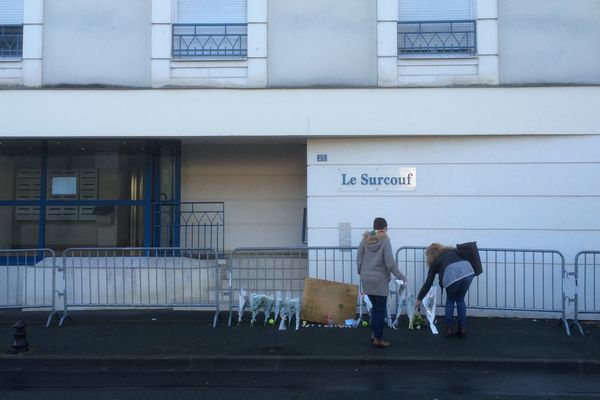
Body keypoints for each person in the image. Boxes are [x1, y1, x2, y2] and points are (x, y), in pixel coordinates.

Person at [357, 217, 406, 348]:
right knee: (379, 310)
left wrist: (361, 272)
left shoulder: (365, 239)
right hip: (379, 280)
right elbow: (390, 263)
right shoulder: (385, 240)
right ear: (384, 228)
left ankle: (374, 334)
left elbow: (359, 258)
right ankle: (378, 339)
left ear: (374, 228)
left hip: (366, 278)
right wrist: (401, 276)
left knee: (375, 308)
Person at [416, 243, 475, 338]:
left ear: (430, 255)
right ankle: (462, 328)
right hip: (468, 271)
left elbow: (428, 283)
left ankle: (449, 328)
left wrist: (419, 299)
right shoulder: (453, 251)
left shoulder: (435, 262)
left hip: (452, 274)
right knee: (460, 299)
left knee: (450, 299)